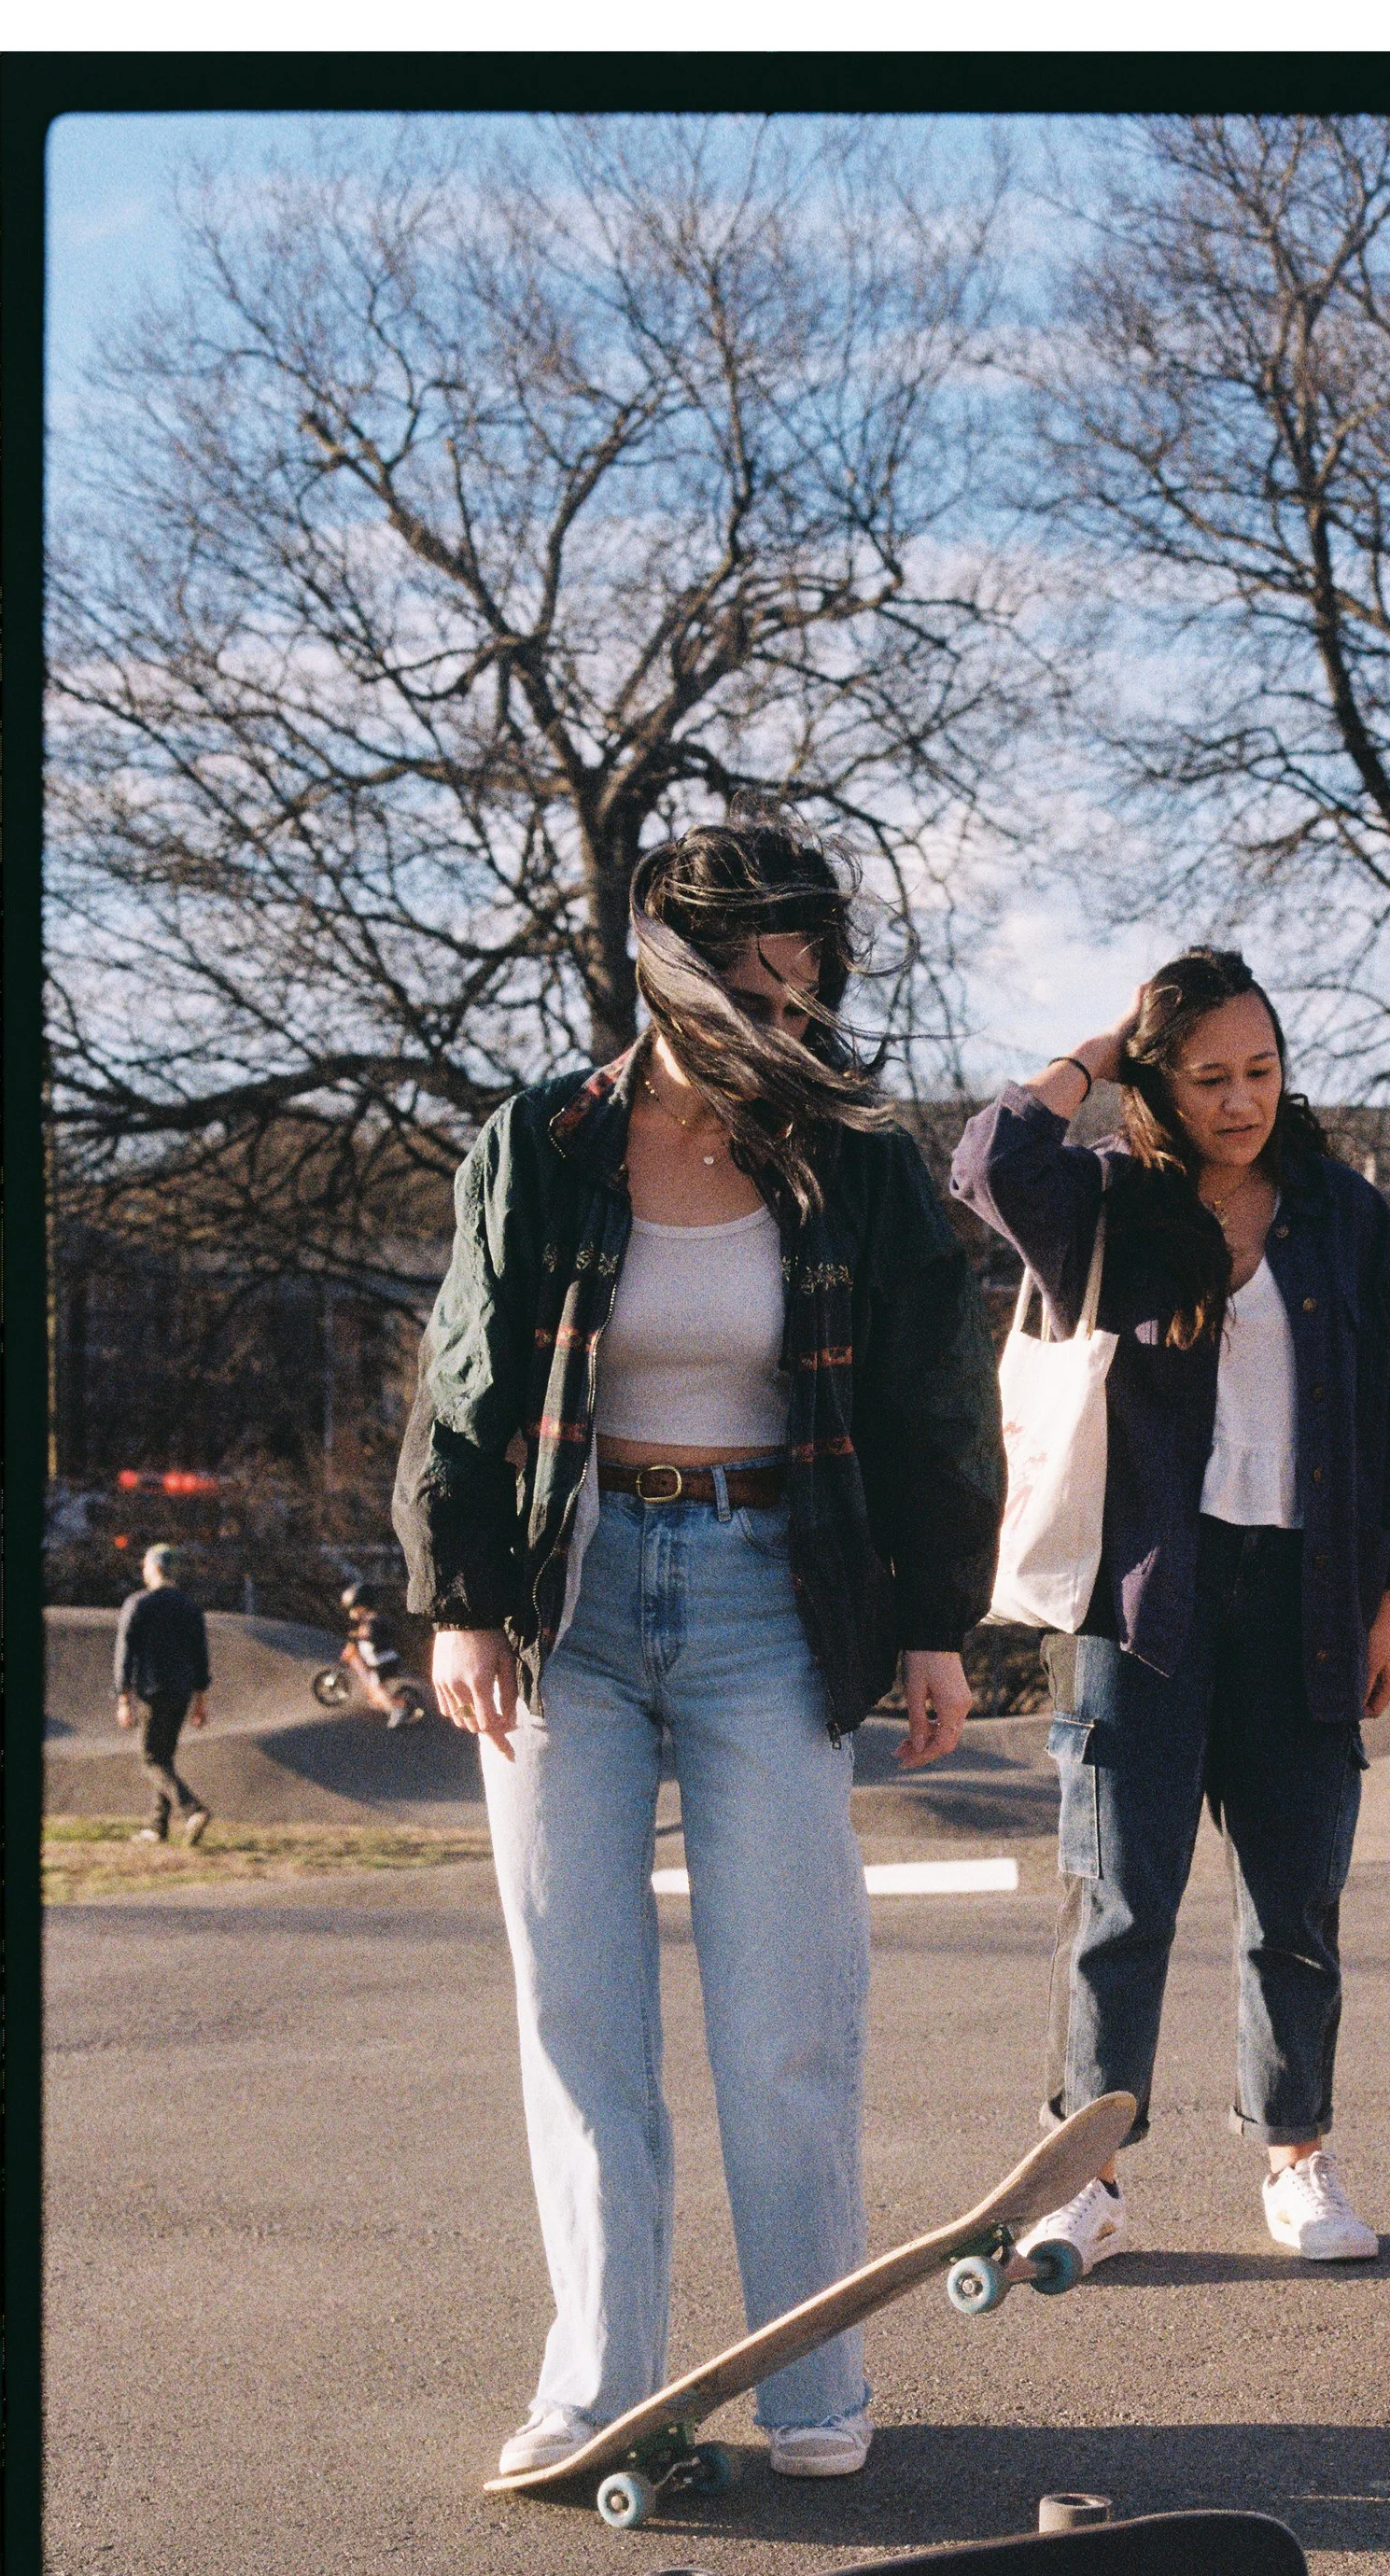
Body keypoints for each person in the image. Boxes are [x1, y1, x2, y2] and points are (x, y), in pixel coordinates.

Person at [395, 814, 1002, 2485]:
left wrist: (938, 1622)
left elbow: (934, 1396)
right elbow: (467, 1379)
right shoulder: (547, 1142)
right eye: (754, 988)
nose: (785, 1022)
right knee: (579, 2012)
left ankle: (813, 2389)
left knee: (786, 2013)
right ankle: (596, 2384)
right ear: (672, 977)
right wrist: (458, 1597)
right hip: (565, 1598)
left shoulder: (858, 1160)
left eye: (809, 990)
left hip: (769, 1590)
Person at [950, 948, 1390, 2274]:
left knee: (1296, 1897)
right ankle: (1082, 2177)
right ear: (1160, 1081)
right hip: (1139, 1602)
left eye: (1262, 1070)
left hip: (1311, 1596)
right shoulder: (1107, 1202)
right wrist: (1098, 1052)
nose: (1241, 1101)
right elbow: (988, 1163)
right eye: (1209, 1075)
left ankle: (1297, 2154)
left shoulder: (1343, 1215)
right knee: (1121, 1895)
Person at [112, 1544, 213, 1843]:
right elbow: (201, 1658)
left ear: (155, 1568)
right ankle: (157, 1828)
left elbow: (124, 1654)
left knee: (150, 1760)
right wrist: (200, 1702)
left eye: (145, 1566)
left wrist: (123, 1698)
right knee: (164, 1757)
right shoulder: (190, 1607)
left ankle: (192, 1809)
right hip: (181, 1694)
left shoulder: (139, 1603)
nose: (143, 1571)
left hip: (151, 1692)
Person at [339, 1581, 417, 1728]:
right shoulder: (367, 1621)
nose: (351, 1614)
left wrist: (361, 1635)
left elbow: (374, 1634)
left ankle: (397, 1710)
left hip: (384, 1660)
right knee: (374, 1683)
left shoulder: (373, 1620)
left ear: (362, 1606)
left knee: (376, 1686)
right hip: (380, 1661)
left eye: (353, 1609)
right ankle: (387, 1702)